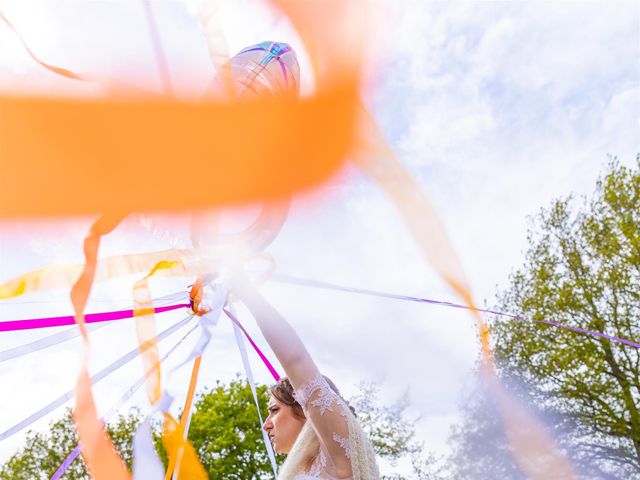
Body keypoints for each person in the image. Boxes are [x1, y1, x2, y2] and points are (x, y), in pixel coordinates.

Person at [229, 276, 380, 480]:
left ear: (306, 409)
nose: (266, 425)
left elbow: (296, 360)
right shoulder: (299, 471)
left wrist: (248, 293)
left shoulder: (340, 461)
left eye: (274, 410)